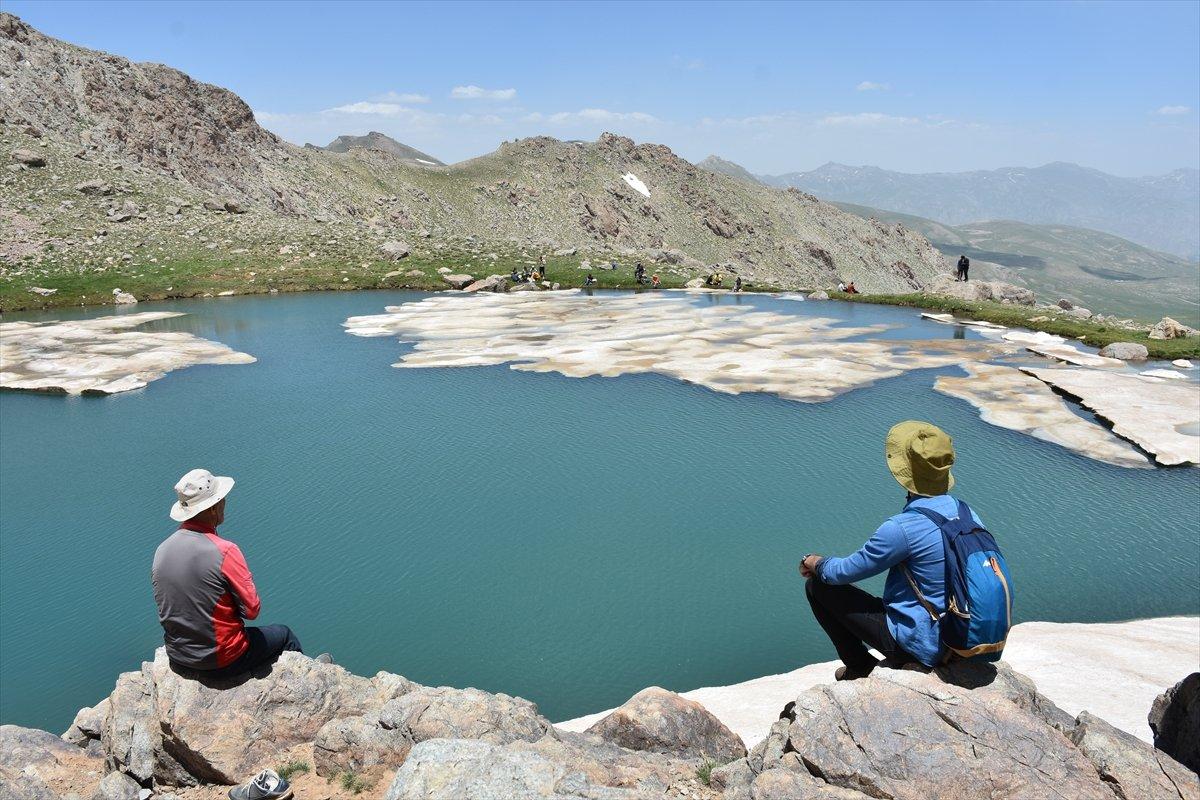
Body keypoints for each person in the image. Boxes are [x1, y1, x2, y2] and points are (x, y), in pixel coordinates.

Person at [799, 421, 980, 680]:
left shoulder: (902, 528)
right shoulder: (966, 513)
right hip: (966, 633)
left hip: (927, 645)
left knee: (819, 587)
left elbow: (845, 572)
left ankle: (859, 666)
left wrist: (813, 561)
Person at [152, 469, 303, 680]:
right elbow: (251, 610)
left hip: (178, 656)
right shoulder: (225, 551)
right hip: (222, 660)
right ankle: (308, 676)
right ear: (213, 507)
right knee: (285, 635)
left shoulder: (162, 550)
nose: (225, 503)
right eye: (222, 499)